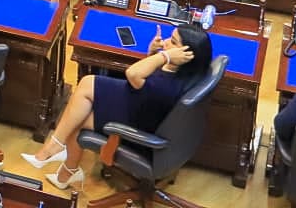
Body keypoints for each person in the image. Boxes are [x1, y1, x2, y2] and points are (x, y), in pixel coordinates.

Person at [33, 24, 212, 191]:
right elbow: (147, 81)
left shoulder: (166, 86)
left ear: (187, 55)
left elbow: (133, 74)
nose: (165, 42)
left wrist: (163, 56)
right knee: (82, 97)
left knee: (77, 119)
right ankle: (60, 156)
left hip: (137, 124)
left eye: (172, 42)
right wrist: (154, 54)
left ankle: (60, 158)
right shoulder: (180, 73)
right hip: (138, 104)